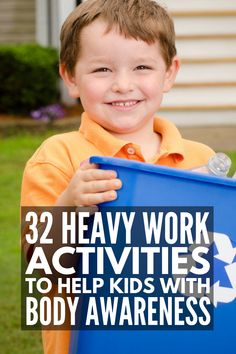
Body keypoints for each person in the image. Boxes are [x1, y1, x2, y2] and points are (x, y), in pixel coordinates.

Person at [21, 0, 215, 353]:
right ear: (70, 77)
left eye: (142, 66)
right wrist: (69, 207)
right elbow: (42, 272)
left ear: (169, 73)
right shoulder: (57, 158)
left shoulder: (198, 160)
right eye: (102, 70)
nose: (123, 85)